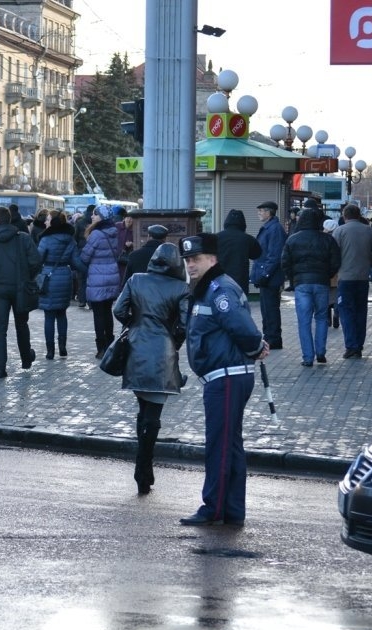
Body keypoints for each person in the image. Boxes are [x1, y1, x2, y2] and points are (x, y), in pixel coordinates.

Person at [179, 233, 268, 527]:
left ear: (212, 259)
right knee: (230, 444)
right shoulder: (209, 287)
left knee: (219, 444)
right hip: (224, 376)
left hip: (226, 377)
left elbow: (242, 328)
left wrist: (256, 347)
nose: (191, 265)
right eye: (188, 260)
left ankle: (213, 508)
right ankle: (232, 509)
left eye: (196, 259)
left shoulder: (219, 290)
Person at [112, 243, 188, 495]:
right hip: (162, 353)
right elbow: (185, 325)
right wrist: (173, 340)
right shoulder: (181, 288)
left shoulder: (136, 280)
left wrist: (134, 325)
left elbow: (119, 310)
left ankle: (143, 469)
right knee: (152, 415)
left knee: (144, 410)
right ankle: (143, 468)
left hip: (136, 349)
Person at [0, 205, 41, 378]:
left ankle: (0, 368)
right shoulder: (23, 238)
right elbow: (36, 261)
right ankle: (26, 359)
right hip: (21, 288)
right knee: (22, 324)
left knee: (0, 329)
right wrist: (27, 277)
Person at [280, 209, 341, 367]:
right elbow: (336, 261)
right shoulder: (327, 239)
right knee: (321, 317)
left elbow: (285, 262)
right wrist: (327, 275)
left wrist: (294, 278)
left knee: (304, 320)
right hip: (321, 282)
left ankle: (308, 357)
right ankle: (320, 352)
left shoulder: (293, 239)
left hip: (301, 283)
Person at [36, 211, 86, 359]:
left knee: (49, 316)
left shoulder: (46, 239)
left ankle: (50, 351)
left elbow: (38, 259)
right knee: (62, 314)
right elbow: (76, 262)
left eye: (48, 219)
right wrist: (89, 271)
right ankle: (63, 348)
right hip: (65, 277)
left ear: (54, 222)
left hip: (49, 278)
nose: (45, 222)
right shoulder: (70, 239)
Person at [332, 204, 372, 359]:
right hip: (363, 278)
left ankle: (351, 345)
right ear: (359, 215)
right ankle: (358, 345)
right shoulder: (369, 231)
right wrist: (366, 265)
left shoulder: (339, 231)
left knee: (346, 312)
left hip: (345, 278)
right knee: (360, 311)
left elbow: (334, 255)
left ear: (344, 216)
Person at [81, 205, 123, 359]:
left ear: (101, 217)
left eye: (95, 214)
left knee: (98, 314)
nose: (92, 216)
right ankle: (110, 343)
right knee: (107, 311)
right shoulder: (114, 232)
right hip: (112, 276)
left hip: (97, 278)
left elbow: (85, 257)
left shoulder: (96, 234)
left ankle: (101, 348)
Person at [249, 201, 287, 349]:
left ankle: (273, 338)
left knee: (270, 309)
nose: (258, 213)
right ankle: (269, 337)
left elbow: (274, 256)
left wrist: (265, 275)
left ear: (269, 212)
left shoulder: (274, 229)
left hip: (270, 278)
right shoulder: (270, 227)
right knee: (266, 309)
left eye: (261, 211)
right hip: (267, 277)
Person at [217, 209, 262, 295]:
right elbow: (257, 254)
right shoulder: (248, 239)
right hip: (240, 281)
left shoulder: (217, 237)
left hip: (220, 279)